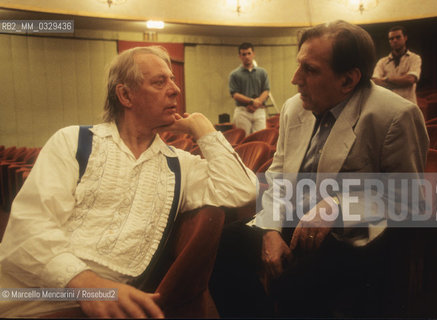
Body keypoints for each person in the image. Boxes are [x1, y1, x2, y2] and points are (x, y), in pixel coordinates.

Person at [0, 46, 257, 318]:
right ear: (125, 95)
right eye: (160, 82)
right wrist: (87, 285)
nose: (175, 89)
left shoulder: (178, 164)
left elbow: (244, 189)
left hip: (108, 307)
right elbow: (29, 228)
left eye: (172, 80)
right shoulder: (73, 141)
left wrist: (203, 129)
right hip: (29, 298)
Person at [210, 20, 429, 318]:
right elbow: (278, 178)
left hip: (350, 234)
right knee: (221, 246)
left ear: (348, 80)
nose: (294, 79)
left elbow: (406, 200)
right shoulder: (294, 107)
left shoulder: (395, 115)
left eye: (310, 70)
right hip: (295, 222)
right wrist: (271, 230)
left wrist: (338, 207)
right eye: (299, 65)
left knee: (294, 284)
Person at [372, 25, 422, 104]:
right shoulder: (382, 62)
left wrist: (386, 79)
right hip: (389, 105)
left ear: (405, 38)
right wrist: (402, 81)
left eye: (398, 37)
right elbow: (375, 82)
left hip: (408, 105)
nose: (394, 40)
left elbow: (410, 80)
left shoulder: (415, 58)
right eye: (391, 39)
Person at [229, 42, 270, 135]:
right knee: (244, 139)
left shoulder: (262, 72)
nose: (247, 56)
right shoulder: (234, 74)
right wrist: (251, 101)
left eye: (249, 53)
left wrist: (257, 103)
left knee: (260, 138)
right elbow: (234, 94)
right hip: (243, 111)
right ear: (239, 56)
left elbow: (266, 90)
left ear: (253, 54)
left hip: (259, 110)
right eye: (244, 54)